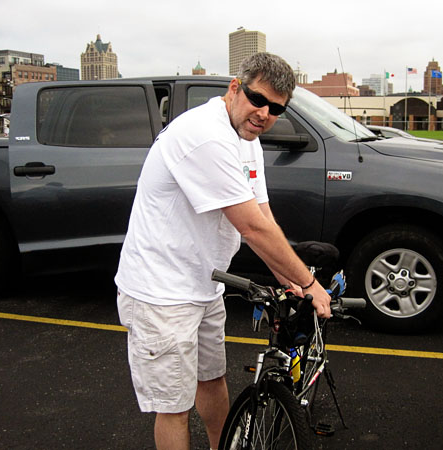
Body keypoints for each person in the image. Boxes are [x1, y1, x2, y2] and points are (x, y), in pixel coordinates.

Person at [114, 52, 332, 450]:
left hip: (203, 283)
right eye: (258, 99)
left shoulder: (246, 138)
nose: (264, 113)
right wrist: (309, 281)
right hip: (161, 293)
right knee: (174, 407)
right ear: (235, 88)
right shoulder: (205, 135)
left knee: (212, 380)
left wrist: (290, 282)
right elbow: (248, 224)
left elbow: (262, 218)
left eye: (276, 108)